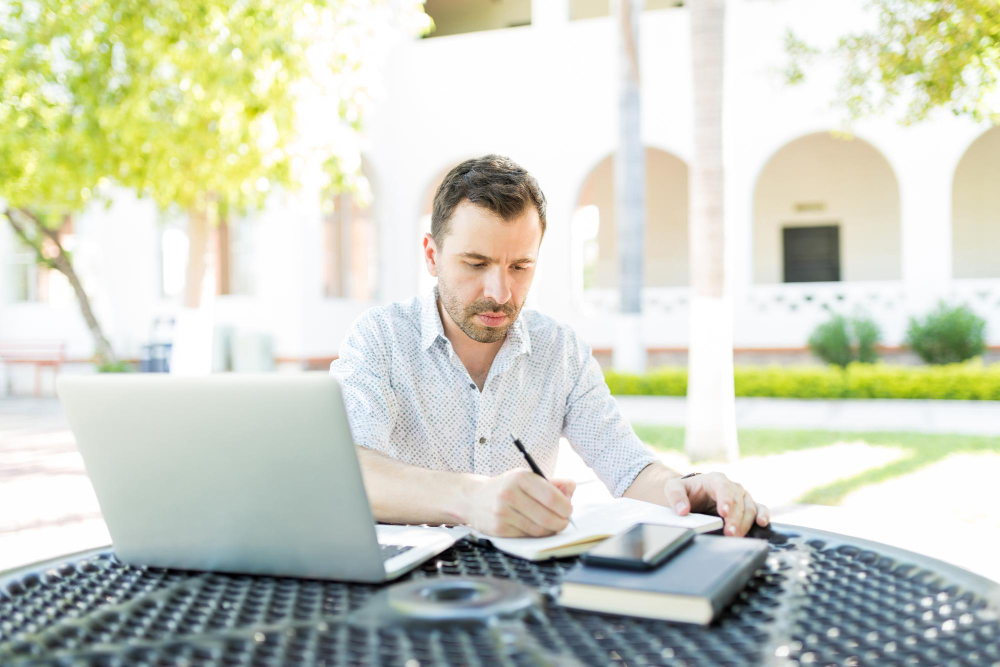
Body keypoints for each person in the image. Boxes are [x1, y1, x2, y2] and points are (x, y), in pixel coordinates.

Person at [330, 155, 770, 538]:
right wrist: (472, 499)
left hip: (525, 590)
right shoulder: (379, 340)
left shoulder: (561, 352)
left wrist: (684, 487)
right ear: (431, 255)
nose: (500, 292)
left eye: (520, 266)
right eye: (475, 263)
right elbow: (348, 473)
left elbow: (628, 466)